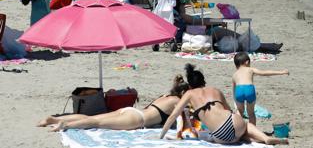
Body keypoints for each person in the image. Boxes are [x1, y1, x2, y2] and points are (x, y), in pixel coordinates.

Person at [159, 64, 287, 145]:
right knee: (244, 129)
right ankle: (264, 138)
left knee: (233, 137)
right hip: (235, 121)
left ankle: (253, 139)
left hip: (222, 134)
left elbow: (173, 116)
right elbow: (229, 109)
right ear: (204, 81)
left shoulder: (190, 94)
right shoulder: (215, 90)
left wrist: (161, 136)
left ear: (190, 85)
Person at [38, 75, 189, 131]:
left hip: (129, 111)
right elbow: (183, 121)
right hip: (136, 120)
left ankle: (54, 119)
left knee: (92, 118)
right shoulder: (176, 101)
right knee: (94, 122)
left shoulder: (166, 95)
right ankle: (65, 125)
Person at [232, 52, 289, 126]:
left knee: (239, 111)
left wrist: (235, 100)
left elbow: (234, 89)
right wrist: (281, 72)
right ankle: (252, 131)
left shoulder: (235, 74)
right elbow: (264, 73)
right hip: (249, 89)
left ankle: (237, 130)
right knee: (251, 113)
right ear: (247, 62)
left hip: (239, 90)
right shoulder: (250, 69)